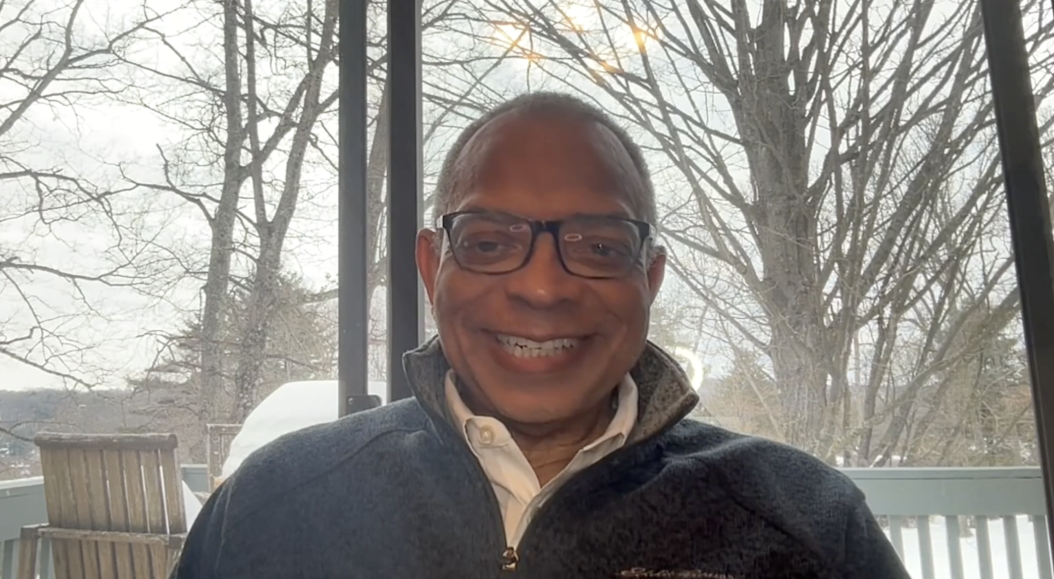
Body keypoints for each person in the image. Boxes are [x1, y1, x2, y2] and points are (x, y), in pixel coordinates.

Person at [171, 92, 910, 579]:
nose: (544, 286)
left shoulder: (807, 523)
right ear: (433, 268)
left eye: (596, 245)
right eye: (491, 242)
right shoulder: (270, 508)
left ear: (648, 278)